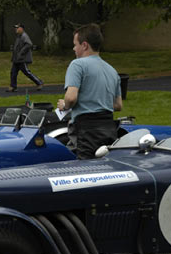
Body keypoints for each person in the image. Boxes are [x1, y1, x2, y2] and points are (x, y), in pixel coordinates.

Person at [57, 23, 122, 160]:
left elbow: (71, 98)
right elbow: (118, 105)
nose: (74, 49)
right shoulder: (112, 70)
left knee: (85, 170)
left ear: (84, 45)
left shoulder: (77, 65)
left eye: (75, 45)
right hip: (109, 128)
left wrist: (64, 105)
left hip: (86, 130)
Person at [7, 23, 43, 92]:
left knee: (26, 72)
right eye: (15, 28)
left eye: (17, 28)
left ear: (21, 29)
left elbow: (29, 44)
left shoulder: (24, 36)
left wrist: (21, 53)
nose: (16, 29)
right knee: (13, 72)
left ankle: (39, 82)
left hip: (22, 59)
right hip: (16, 59)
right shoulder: (19, 36)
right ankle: (13, 86)